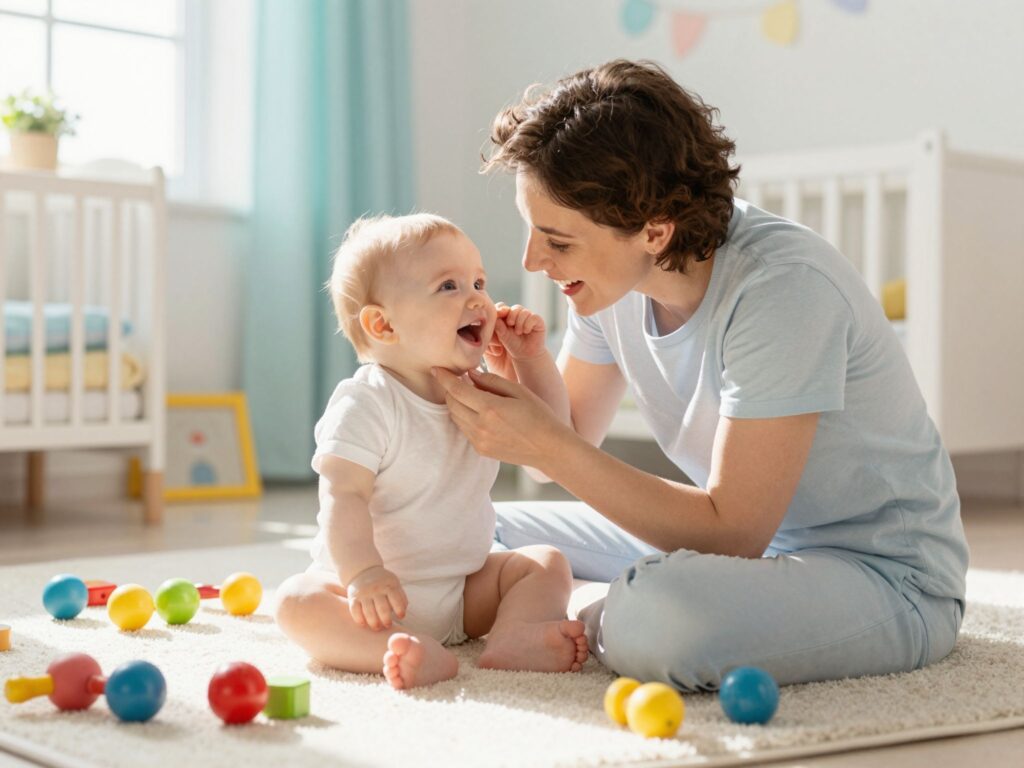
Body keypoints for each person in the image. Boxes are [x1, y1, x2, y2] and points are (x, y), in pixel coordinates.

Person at [432, 59, 968, 690]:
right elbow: (559, 454)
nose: (532, 260)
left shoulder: (782, 288)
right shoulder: (611, 284)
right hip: (742, 555)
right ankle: (576, 605)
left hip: (884, 577)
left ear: (655, 230)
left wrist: (543, 441)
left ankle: (590, 614)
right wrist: (524, 377)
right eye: (532, 230)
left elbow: (734, 531)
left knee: (656, 618)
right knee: (460, 528)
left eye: (558, 240)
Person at [274, 213, 588, 690]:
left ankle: (514, 636)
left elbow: (549, 453)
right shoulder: (367, 401)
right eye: (449, 286)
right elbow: (344, 496)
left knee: (547, 563)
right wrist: (363, 574)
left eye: (478, 281)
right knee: (297, 603)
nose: (478, 297)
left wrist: (531, 361)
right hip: (373, 600)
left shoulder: (480, 391)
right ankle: (395, 650)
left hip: (463, 590)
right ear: (383, 325)